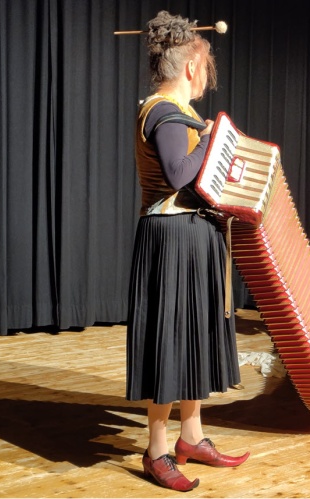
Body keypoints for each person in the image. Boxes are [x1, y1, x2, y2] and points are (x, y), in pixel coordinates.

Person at [126, 11, 249, 492]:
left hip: (194, 238)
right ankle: (156, 450)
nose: (207, 76)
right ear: (192, 67)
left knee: (193, 336)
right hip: (171, 240)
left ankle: (191, 437)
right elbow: (179, 174)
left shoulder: (180, 114)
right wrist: (216, 138)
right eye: (206, 67)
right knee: (169, 342)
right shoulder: (161, 110)